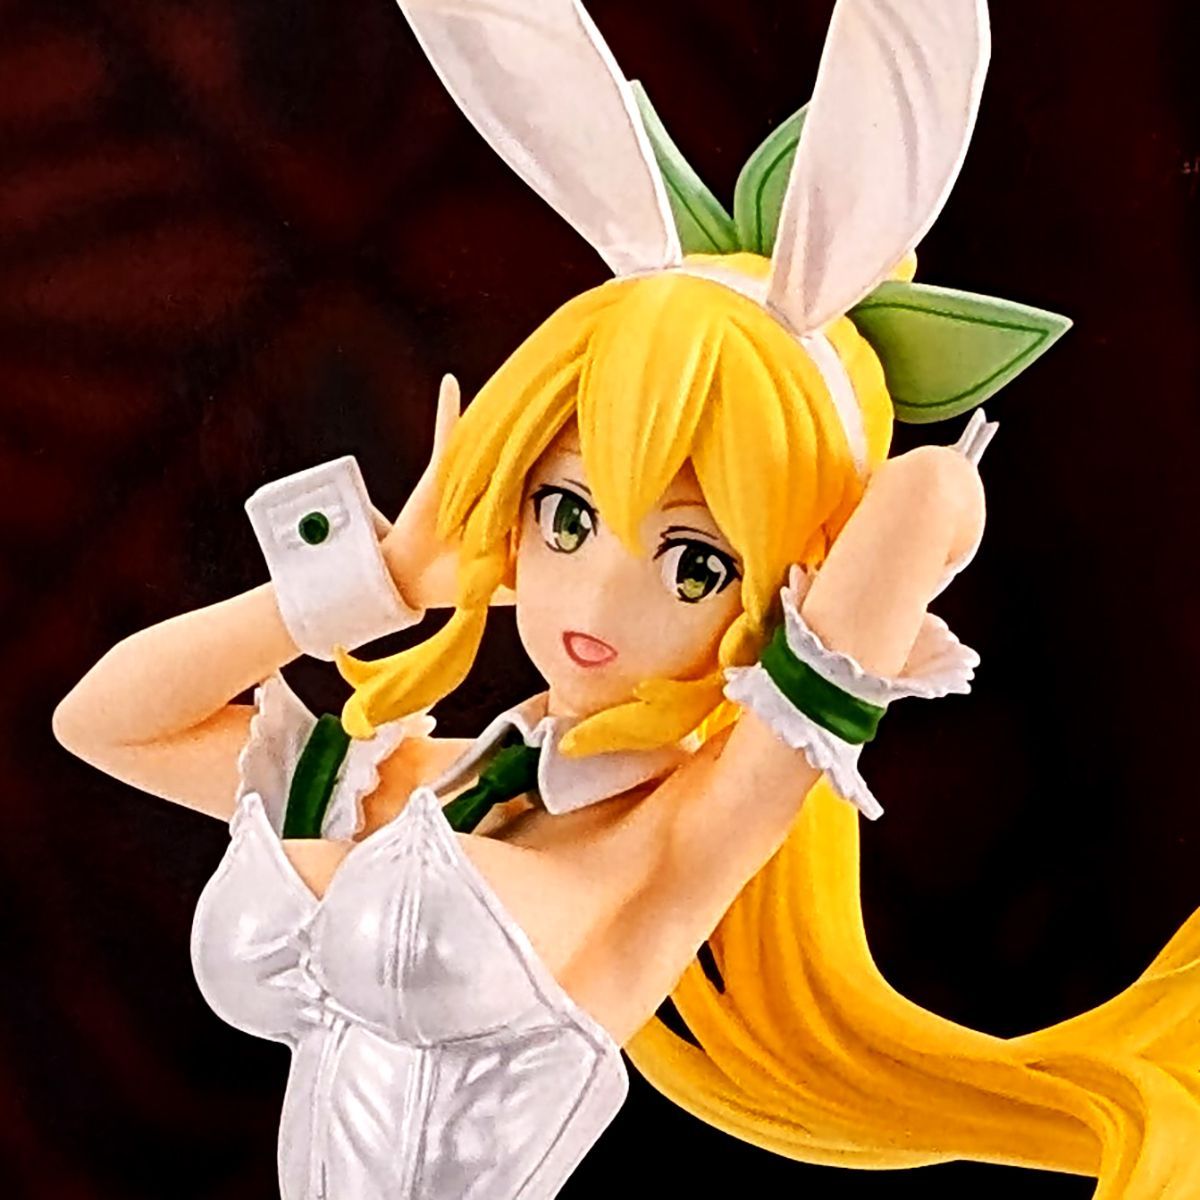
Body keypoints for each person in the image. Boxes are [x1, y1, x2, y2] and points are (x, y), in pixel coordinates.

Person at [51, 1, 1200, 1197]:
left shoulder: (684, 836)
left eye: (695, 563)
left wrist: (816, 414)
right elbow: (105, 723)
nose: (598, 592)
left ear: (777, 588)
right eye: (566, 514)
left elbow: (928, 501)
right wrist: (378, 582)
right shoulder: (402, 778)